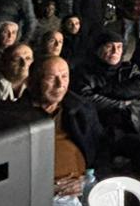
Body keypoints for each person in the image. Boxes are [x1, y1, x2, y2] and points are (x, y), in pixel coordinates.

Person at [25, 55, 105, 189]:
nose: (60, 84)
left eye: (64, 76)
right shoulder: (16, 117)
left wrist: (86, 181)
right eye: (51, 78)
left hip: (83, 186)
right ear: (32, 82)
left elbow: (102, 150)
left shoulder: (81, 109)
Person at [72, 33, 140, 157]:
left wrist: (105, 91)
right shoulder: (84, 72)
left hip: (132, 122)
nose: (115, 51)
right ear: (97, 49)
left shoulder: (129, 69)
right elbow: (86, 99)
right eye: (109, 46)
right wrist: (121, 103)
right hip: (99, 126)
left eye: (119, 47)